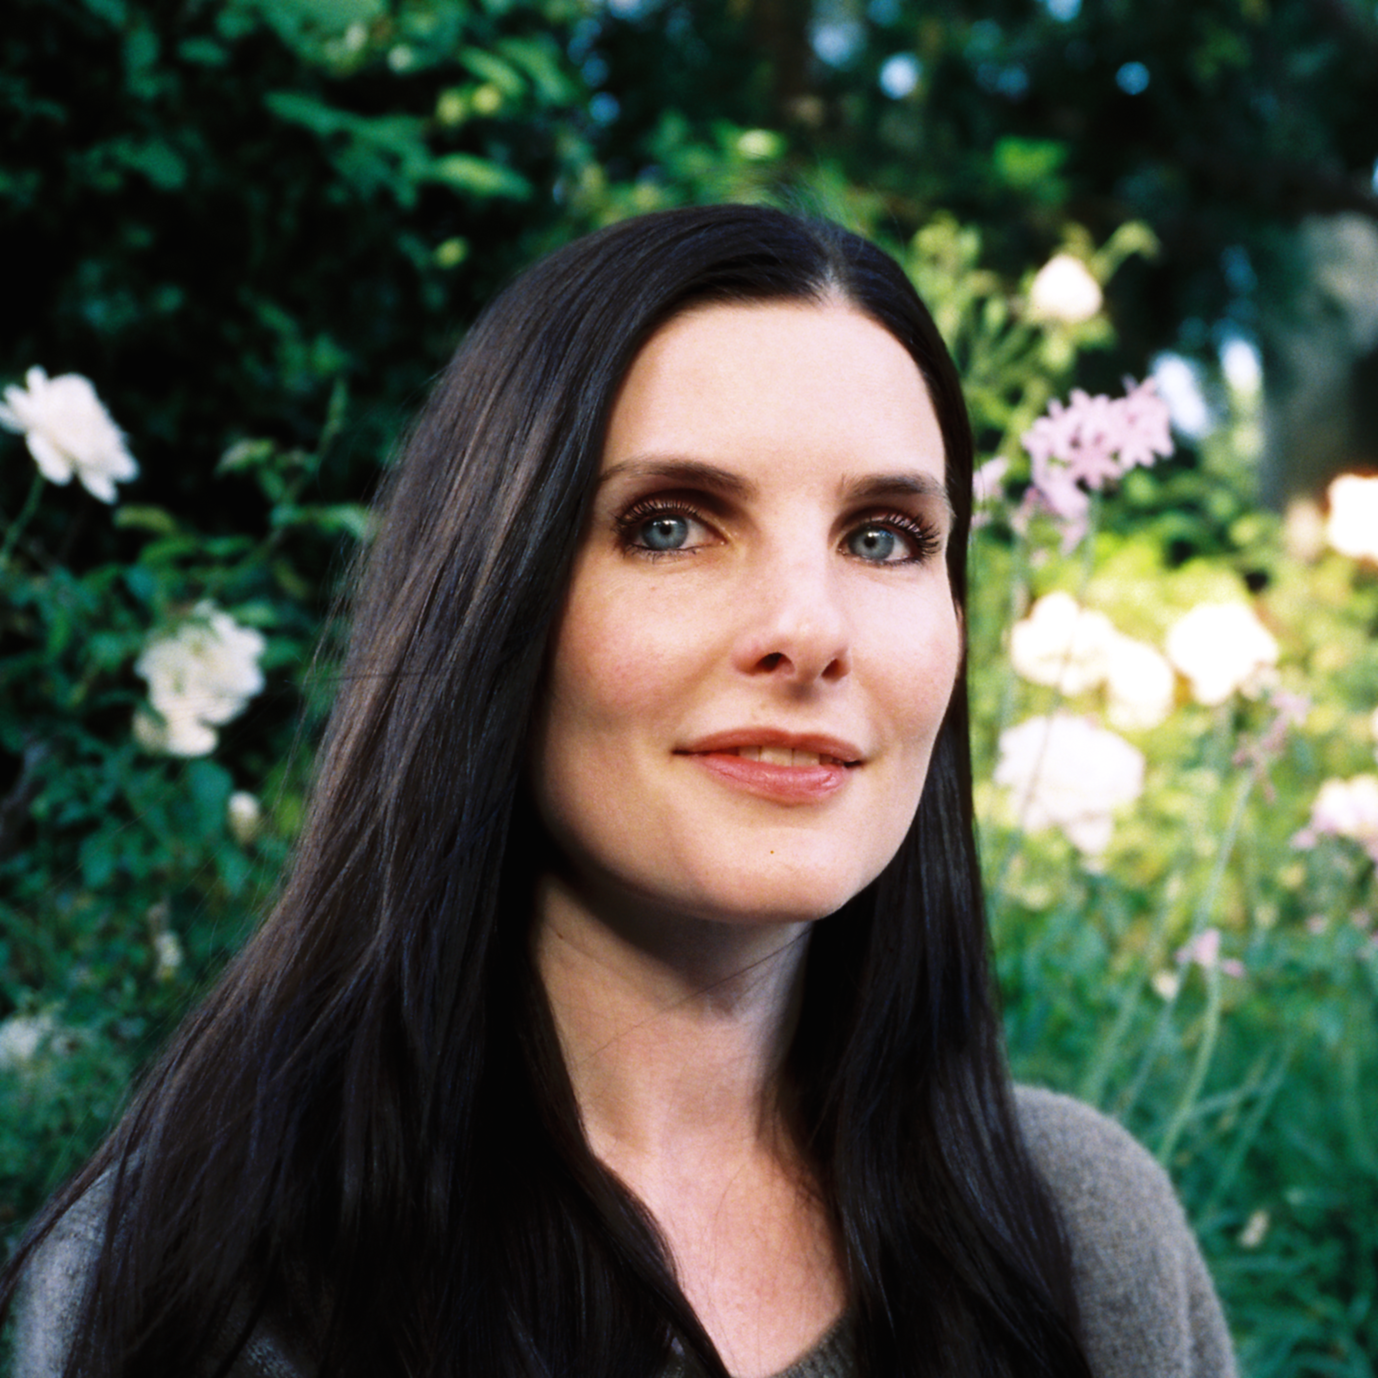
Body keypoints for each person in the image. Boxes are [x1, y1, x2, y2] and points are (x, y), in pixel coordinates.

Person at [0, 204, 1236, 1378]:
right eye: (669, 525)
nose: (808, 629)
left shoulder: (1083, 1237)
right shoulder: (198, 1280)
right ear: (492, 605)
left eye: (883, 538)